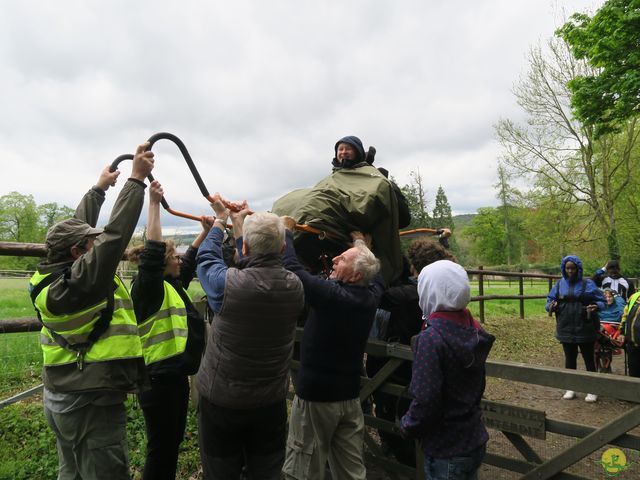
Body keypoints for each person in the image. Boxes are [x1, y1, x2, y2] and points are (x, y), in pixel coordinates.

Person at [28, 144, 154, 480]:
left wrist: (98, 189)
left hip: (63, 393)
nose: (95, 246)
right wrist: (135, 181)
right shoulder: (81, 283)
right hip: (89, 401)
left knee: (71, 471)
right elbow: (114, 237)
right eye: (89, 244)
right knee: (105, 473)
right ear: (76, 253)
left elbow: (76, 229)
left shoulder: (50, 276)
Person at [195, 196, 305, 480]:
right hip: (269, 404)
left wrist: (220, 221)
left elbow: (206, 259)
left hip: (222, 404)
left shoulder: (229, 285)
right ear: (282, 248)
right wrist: (238, 220)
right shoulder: (295, 287)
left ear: (243, 246)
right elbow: (254, 267)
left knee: (221, 472)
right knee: (266, 472)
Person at [281, 216, 385, 480]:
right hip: (349, 399)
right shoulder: (370, 295)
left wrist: (286, 232)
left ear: (355, 274)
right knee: (351, 471)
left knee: (303, 470)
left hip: (316, 400)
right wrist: (360, 243)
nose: (335, 259)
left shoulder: (332, 296)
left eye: (342, 259)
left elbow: (293, 267)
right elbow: (378, 277)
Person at [127, 181, 208, 480]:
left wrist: (205, 231)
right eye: (173, 257)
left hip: (172, 380)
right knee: (161, 449)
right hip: (157, 382)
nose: (179, 260)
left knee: (170, 444)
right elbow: (153, 253)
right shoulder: (149, 288)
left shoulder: (171, 286)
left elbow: (188, 264)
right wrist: (153, 203)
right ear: (162, 264)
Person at [400, 260, 494, 480]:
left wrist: (407, 425)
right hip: (472, 437)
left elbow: (426, 398)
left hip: (445, 446)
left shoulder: (431, 338)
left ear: (429, 290)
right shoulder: (472, 329)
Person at [366, 239, 457, 467]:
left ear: (414, 266)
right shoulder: (447, 291)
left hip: (391, 371)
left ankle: (406, 464)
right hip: (433, 370)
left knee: (392, 419)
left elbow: (375, 335)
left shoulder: (394, 296)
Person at [272, 135, 403, 284]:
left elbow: (373, 191)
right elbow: (323, 190)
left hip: (342, 208)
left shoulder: (370, 175)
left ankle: (291, 231)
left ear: (358, 152)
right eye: (340, 149)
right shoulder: (334, 176)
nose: (343, 152)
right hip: (323, 201)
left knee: (313, 205)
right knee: (291, 200)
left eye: (348, 149)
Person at [546, 255, 606, 402]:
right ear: (564, 269)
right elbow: (548, 301)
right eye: (567, 268)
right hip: (565, 326)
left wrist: (597, 306)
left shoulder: (589, 284)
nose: (570, 271)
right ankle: (570, 387)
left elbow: (602, 300)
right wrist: (550, 306)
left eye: (573, 268)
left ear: (578, 268)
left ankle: (593, 389)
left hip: (585, 326)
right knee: (570, 359)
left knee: (588, 359)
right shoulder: (559, 285)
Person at [618, 291, 640, 377]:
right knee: (633, 375)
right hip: (632, 344)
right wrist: (622, 333)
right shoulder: (635, 296)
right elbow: (625, 316)